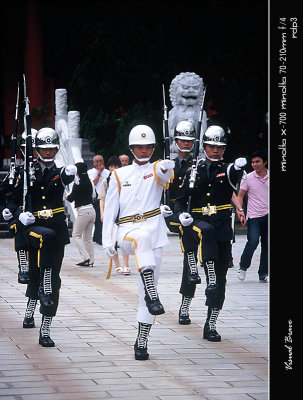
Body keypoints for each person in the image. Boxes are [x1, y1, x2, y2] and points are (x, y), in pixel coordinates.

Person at [102, 125, 174, 360]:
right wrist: (107, 240)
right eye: (139, 147)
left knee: (145, 291)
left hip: (154, 233)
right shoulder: (119, 175)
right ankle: (153, 294)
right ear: (132, 148)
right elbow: (111, 209)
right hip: (127, 231)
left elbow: (165, 176)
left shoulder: (157, 168)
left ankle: (141, 341)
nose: (144, 151)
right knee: (140, 238)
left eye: (148, 147)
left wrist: (168, 167)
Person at [174, 125, 246, 342]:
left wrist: (239, 168)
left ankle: (211, 324)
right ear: (204, 145)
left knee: (219, 280)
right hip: (197, 226)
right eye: (211, 146)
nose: (215, 150)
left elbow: (235, 176)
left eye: (219, 147)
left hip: (221, 228)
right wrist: (178, 216)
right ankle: (185, 307)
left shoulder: (229, 169)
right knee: (191, 271)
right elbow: (180, 198)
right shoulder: (191, 170)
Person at [6, 127, 77, 347]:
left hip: (56, 230)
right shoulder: (26, 171)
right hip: (34, 228)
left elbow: (70, 184)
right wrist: (18, 214)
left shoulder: (62, 172)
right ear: (36, 149)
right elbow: (11, 200)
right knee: (39, 274)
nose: (48, 152)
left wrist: (76, 174)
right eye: (44, 149)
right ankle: (34, 304)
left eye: (52, 148)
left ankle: (44, 328)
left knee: (52, 278)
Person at [164, 121, 202, 325]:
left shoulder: (199, 165)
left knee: (190, 264)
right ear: (175, 141)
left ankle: (184, 306)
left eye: (189, 141)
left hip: (190, 217)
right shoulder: (166, 163)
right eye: (182, 140)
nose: (186, 144)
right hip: (169, 215)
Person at [1, 129, 38, 284]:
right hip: (22, 214)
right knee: (18, 225)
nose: (30, 152)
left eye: (33, 149)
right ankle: (23, 267)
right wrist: (6, 209)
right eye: (26, 149)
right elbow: (5, 193)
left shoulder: (45, 170)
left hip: (42, 213)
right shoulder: (17, 171)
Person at [236, 149, 269, 282]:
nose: (254, 164)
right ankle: (243, 267)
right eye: (253, 162)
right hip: (254, 216)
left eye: (258, 162)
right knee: (253, 241)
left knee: (267, 245)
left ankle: (263, 273)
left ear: (265, 162)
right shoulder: (247, 178)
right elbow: (240, 196)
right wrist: (240, 211)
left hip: (268, 216)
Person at [99, 156, 131, 275]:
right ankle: (118, 265)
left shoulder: (125, 179)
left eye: (115, 166)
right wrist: (102, 213)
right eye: (111, 166)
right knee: (112, 241)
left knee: (124, 240)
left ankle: (126, 265)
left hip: (124, 213)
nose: (113, 169)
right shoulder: (106, 181)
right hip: (111, 213)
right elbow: (102, 198)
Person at [66, 162, 96, 267]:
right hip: (92, 211)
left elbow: (71, 199)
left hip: (83, 211)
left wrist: (67, 196)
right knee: (88, 237)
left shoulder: (78, 183)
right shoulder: (89, 182)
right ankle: (91, 260)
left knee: (76, 235)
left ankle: (85, 257)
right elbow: (94, 195)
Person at [87, 155, 110, 245]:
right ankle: (96, 237)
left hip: (104, 197)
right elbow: (93, 182)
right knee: (95, 218)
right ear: (93, 163)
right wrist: (99, 173)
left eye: (100, 161)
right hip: (94, 197)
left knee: (102, 218)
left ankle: (100, 237)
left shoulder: (107, 172)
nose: (99, 163)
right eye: (97, 161)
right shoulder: (90, 172)